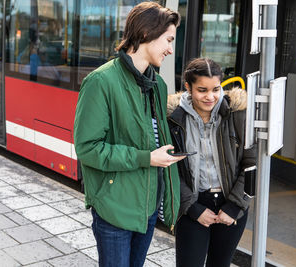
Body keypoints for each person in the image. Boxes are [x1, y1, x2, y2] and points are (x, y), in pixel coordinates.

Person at [73, 2, 184, 267]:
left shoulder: (157, 84)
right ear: (146, 34)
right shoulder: (101, 82)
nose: (171, 49)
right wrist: (146, 158)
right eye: (168, 40)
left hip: (147, 208)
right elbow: (88, 148)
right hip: (115, 209)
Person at [167, 58, 257, 267]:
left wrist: (235, 206)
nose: (210, 97)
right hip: (193, 206)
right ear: (188, 87)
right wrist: (192, 208)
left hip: (231, 205)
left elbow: (252, 164)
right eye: (202, 90)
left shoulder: (237, 116)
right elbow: (170, 168)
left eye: (216, 89)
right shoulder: (173, 120)